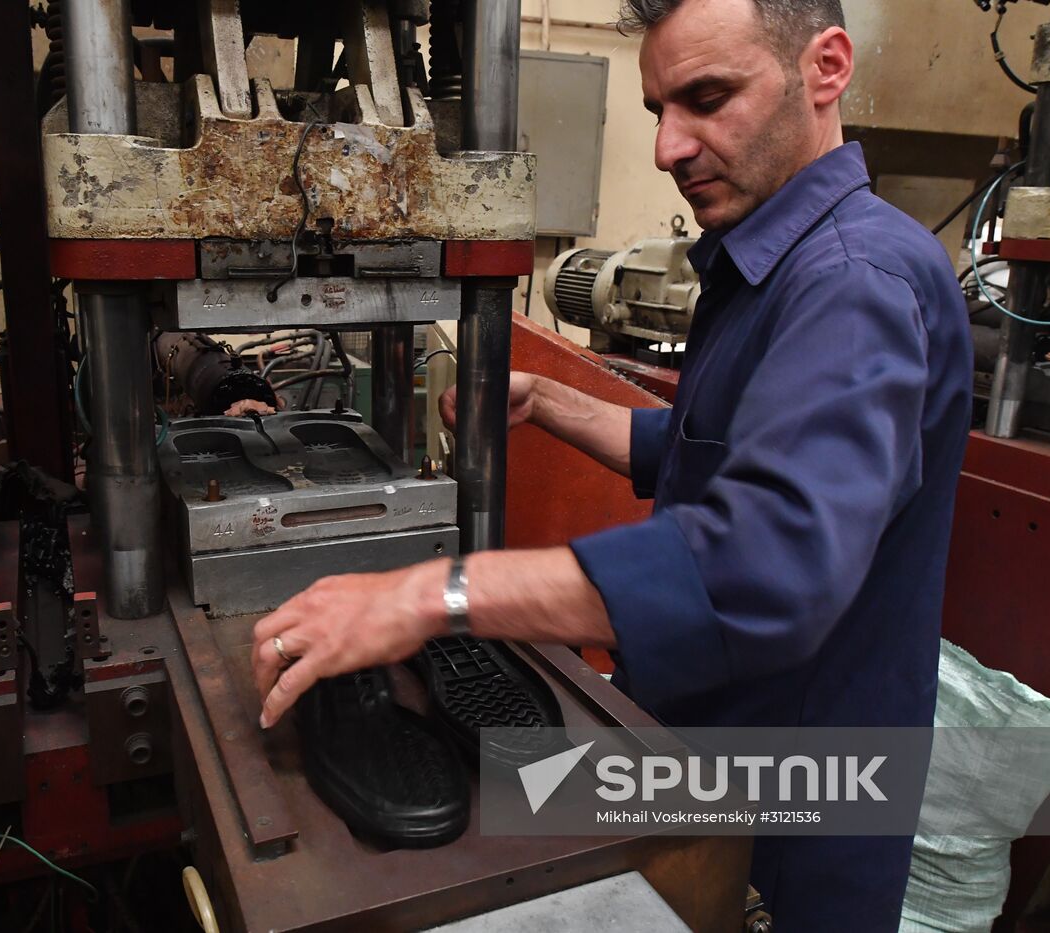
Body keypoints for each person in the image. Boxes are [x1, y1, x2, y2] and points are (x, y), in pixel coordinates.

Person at [250, 0, 972, 927]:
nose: (671, 147)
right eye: (658, 110)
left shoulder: (854, 282)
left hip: (792, 820)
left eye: (709, 98)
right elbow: (709, 454)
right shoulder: (770, 266)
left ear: (826, 67)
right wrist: (551, 402)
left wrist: (427, 596)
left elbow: (764, 562)